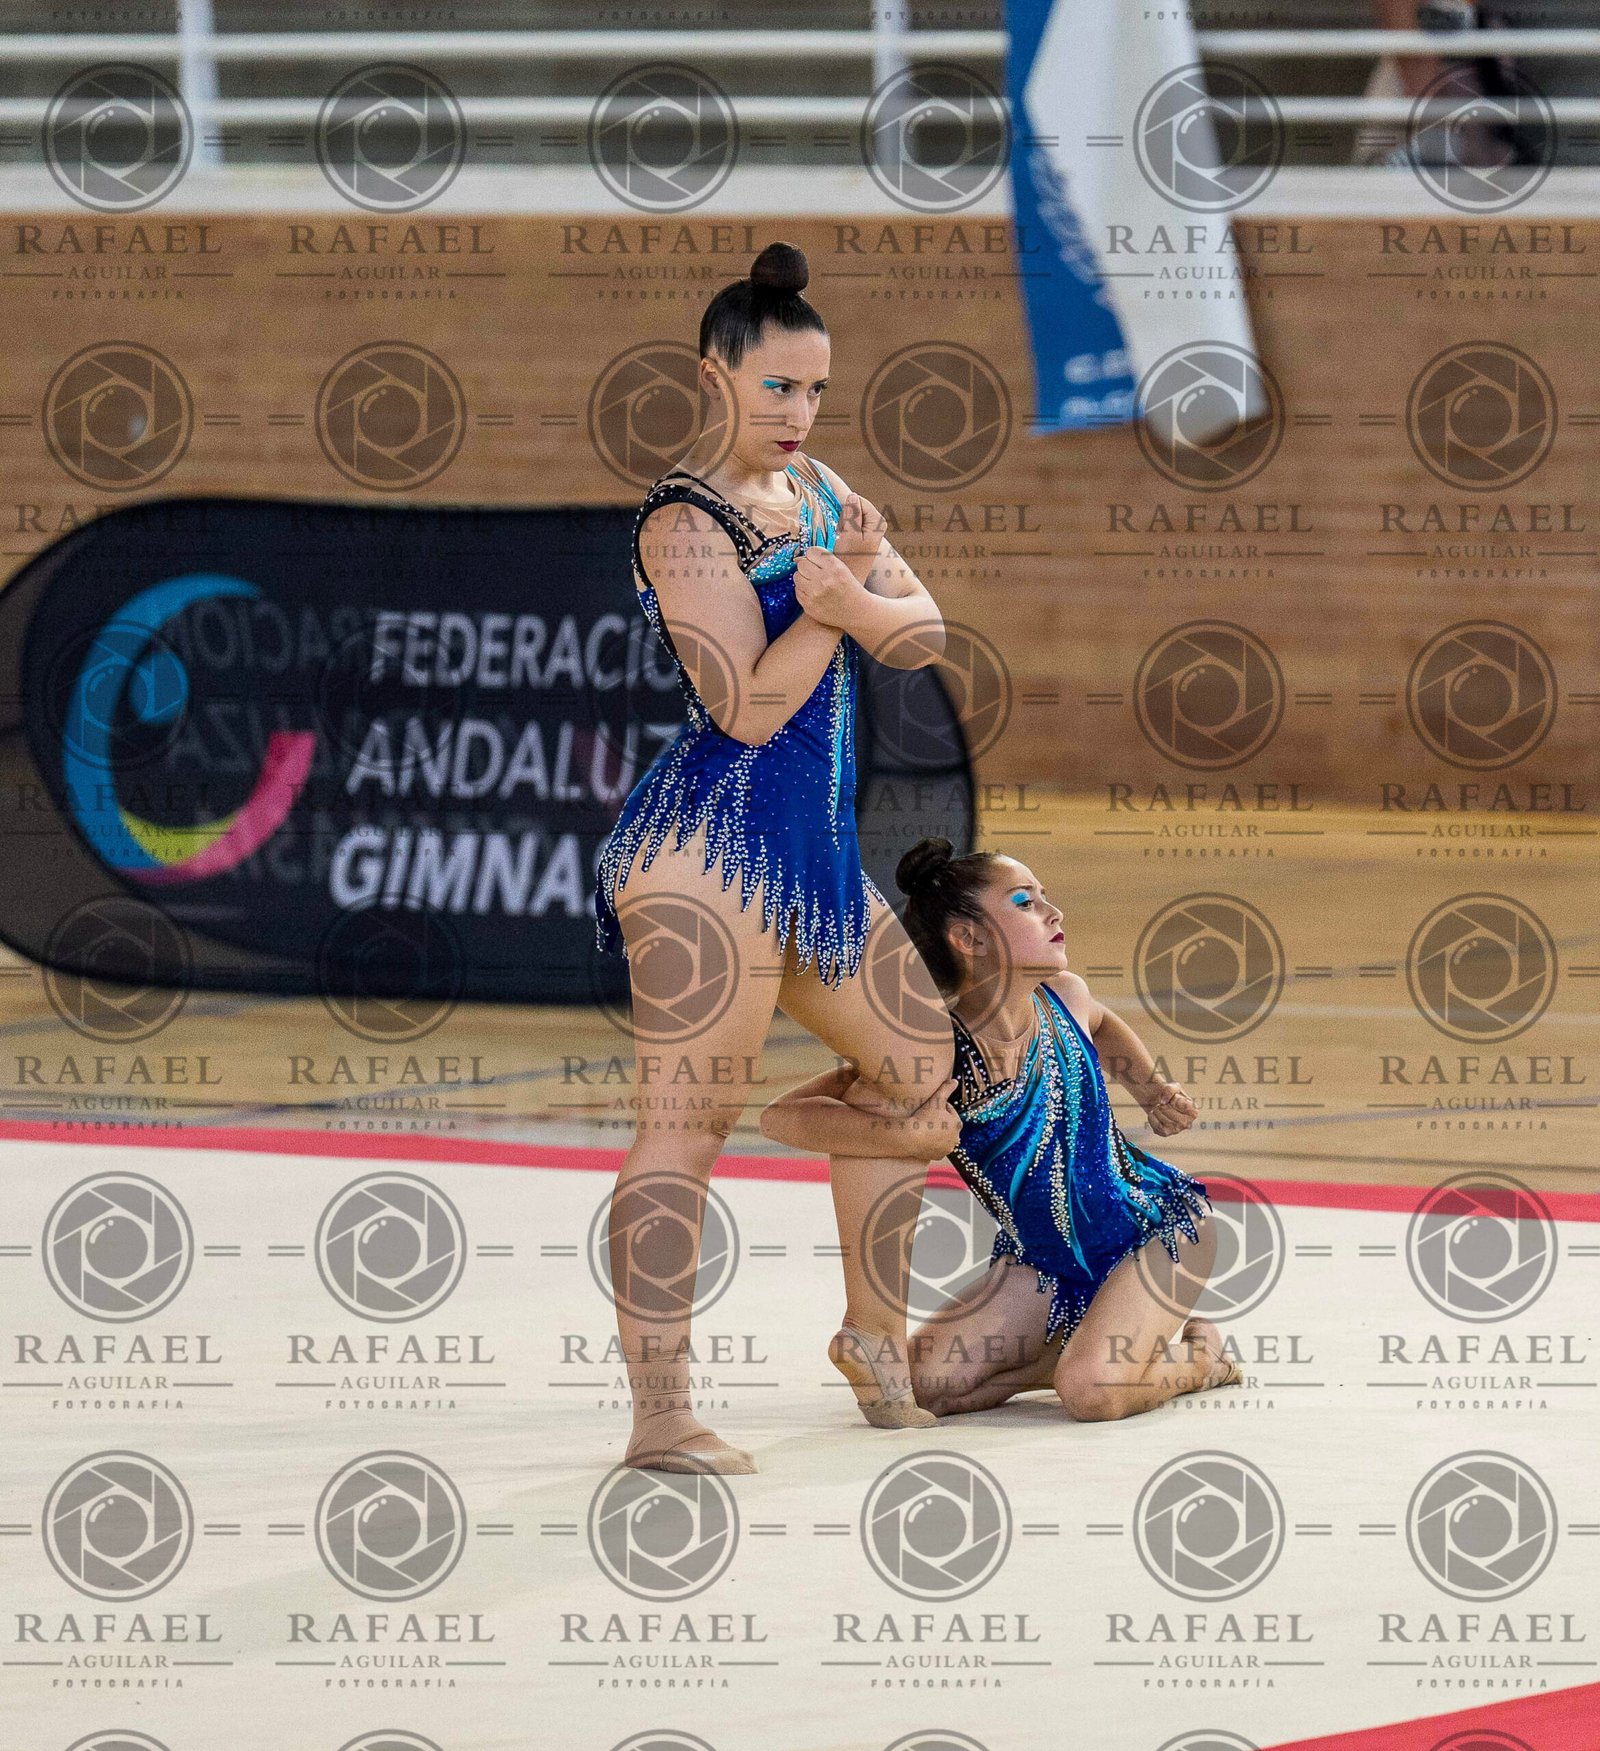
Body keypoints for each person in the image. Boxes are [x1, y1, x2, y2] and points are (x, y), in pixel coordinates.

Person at [594, 242, 955, 1474]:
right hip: (704, 853)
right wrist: (842, 602)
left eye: (815, 390)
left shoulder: (819, 490)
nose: (799, 412)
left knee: (920, 1068)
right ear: (715, 375)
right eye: (777, 387)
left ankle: (870, 1330)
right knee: (684, 1125)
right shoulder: (681, 521)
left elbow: (924, 631)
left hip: (808, 850)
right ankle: (660, 1413)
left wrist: (854, 600)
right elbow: (742, 707)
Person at [760, 837, 1245, 1422]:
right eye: (1025, 902)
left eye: (1044, 897)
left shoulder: (1064, 996)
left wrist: (1151, 1088)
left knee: (1091, 1393)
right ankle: (1079, 1346)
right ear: (969, 939)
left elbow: (1103, 1024)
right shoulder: (937, 1052)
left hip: (1158, 1232)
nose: (1053, 912)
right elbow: (780, 1116)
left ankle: (1201, 1359)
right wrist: (902, 1139)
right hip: (1041, 1263)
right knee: (927, 1387)